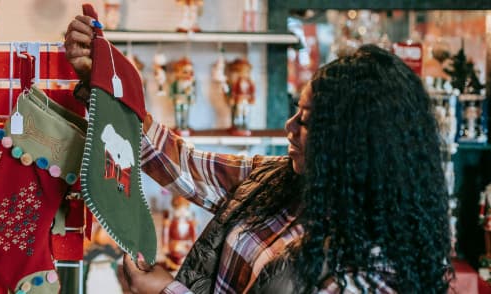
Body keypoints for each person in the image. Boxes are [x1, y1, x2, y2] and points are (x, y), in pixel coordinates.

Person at [65, 15, 452, 294]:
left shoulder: (371, 271)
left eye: (308, 122)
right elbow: (184, 164)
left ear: (357, 143)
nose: (289, 127)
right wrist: (102, 79)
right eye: (297, 111)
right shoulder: (280, 180)